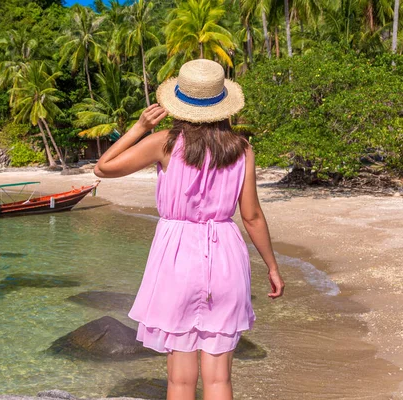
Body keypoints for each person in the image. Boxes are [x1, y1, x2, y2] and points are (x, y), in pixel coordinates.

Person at [94, 59, 285, 400]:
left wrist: (139, 127)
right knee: (219, 381)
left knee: (180, 383)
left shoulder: (165, 142)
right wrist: (272, 266)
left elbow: (103, 168)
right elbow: (252, 216)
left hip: (176, 255)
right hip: (226, 255)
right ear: (222, 104)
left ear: (180, 103)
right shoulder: (242, 149)